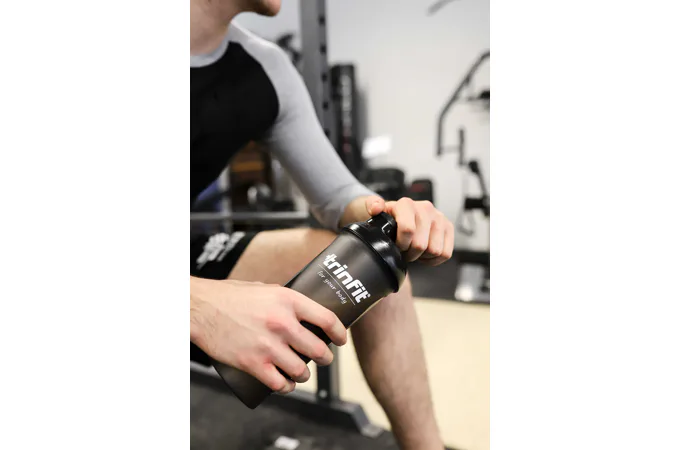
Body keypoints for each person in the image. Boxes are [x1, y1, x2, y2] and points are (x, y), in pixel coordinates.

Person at [189, 1, 455, 448]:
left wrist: (393, 217)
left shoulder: (266, 69)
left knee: (374, 266)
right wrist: (198, 305)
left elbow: (337, 197)